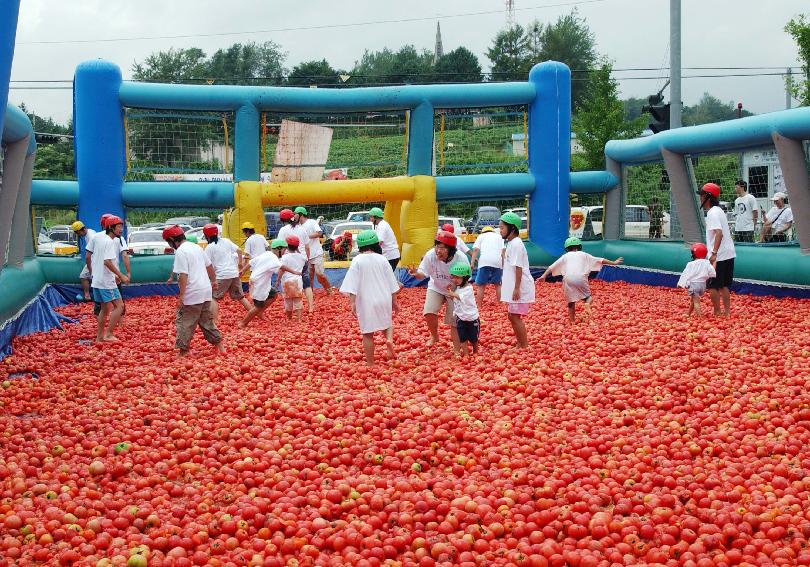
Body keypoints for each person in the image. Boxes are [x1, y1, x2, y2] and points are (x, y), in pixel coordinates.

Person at [339, 230, 401, 367]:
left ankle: (370, 363)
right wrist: (394, 301)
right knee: (387, 323)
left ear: (360, 246)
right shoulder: (383, 259)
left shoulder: (357, 260)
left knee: (367, 333)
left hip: (366, 300)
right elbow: (392, 282)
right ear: (375, 244)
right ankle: (389, 340)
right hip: (383, 297)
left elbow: (352, 284)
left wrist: (352, 302)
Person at [163, 225, 224, 357]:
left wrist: (182, 296)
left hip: (192, 292)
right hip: (205, 290)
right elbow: (209, 266)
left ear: (172, 239)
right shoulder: (196, 247)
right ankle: (220, 346)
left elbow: (183, 276)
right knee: (206, 320)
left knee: (185, 321)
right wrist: (213, 281)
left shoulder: (181, 251)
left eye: (168, 242)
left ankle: (183, 351)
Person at [407, 230, 470, 348]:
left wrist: (456, 286)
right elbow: (422, 274)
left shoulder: (460, 258)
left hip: (455, 290)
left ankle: (458, 344)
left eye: (442, 248)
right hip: (436, 286)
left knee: (455, 319)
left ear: (451, 249)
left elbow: (467, 278)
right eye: (437, 246)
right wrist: (415, 273)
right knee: (429, 312)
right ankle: (434, 336)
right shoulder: (431, 255)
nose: (438, 251)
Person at [539, 236, 623, 324]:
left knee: (571, 302)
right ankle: (587, 303)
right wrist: (613, 262)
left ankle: (572, 321)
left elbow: (552, 266)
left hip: (568, 278)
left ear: (567, 248)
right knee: (588, 297)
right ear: (579, 246)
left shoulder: (565, 256)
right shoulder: (584, 254)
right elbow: (600, 260)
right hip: (581, 277)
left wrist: (544, 275)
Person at [89, 215, 130, 343]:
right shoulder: (108, 241)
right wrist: (121, 275)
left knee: (105, 309)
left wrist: (116, 276)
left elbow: (92, 258)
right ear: (111, 228)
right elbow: (107, 262)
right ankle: (109, 334)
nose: (121, 230)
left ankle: (99, 337)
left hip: (97, 280)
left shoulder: (99, 239)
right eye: (118, 227)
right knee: (120, 306)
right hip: (106, 282)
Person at [698, 182, 736, 317]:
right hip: (729, 253)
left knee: (713, 286)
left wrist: (713, 253)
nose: (700, 198)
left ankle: (717, 311)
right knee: (724, 285)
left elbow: (719, 233)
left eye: (702, 195)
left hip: (719, 255)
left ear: (708, 197)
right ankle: (727, 312)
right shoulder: (719, 211)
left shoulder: (712, 213)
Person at [203, 223, 251, 324]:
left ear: (207, 236)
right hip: (233, 273)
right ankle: (254, 314)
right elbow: (239, 250)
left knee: (213, 297)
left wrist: (210, 278)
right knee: (241, 297)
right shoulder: (226, 241)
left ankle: (215, 320)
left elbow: (208, 265)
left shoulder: (209, 247)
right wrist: (240, 263)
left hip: (222, 275)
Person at [498, 212, 535, 347]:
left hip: (520, 287)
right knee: (511, 316)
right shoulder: (511, 243)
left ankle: (524, 345)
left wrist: (517, 288)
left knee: (514, 316)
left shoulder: (516, 244)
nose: (500, 230)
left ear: (512, 229)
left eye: (502, 228)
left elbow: (518, 267)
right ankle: (520, 343)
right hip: (515, 286)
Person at [240, 238, 284, 328]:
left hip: (258, 281)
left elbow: (251, 262)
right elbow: (281, 268)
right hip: (259, 283)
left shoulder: (266, 254)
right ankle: (243, 323)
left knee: (274, 295)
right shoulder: (274, 259)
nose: (284, 252)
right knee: (258, 306)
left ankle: (259, 312)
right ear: (279, 249)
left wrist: (242, 271)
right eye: (284, 249)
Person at [278, 208, 314, 313]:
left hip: (288, 259)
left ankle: (289, 307)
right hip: (301, 258)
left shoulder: (283, 230)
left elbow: (280, 246)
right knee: (306, 283)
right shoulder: (302, 229)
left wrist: (280, 257)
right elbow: (307, 247)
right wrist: (307, 259)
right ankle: (310, 307)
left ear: (282, 220)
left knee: (287, 282)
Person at [296, 206, 333, 295]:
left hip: (316, 253)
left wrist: (307, 236)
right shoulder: (297, 227)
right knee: (309, 276)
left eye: (296, 214)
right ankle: (310, 294)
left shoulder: (311, 222)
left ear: (301, 215)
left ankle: (329, 290)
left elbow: (319, 233)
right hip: (305, 255)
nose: (294, 216)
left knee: (319, 274)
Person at [445, 263, 479, 357]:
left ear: (465, 277)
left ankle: (476, 351)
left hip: (472, 318)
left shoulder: (469, 288)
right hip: (460, 317)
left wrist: (452, 294)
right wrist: (451, 294)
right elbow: (456, 299)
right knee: (462, 337)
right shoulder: (458, 288)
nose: (454, 280)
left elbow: (460, 297)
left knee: (473, 338)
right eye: (453, 277)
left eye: (457, 277)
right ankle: (466, 354)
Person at [677, 243, 716, 318]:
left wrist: (680, 284)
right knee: (693, 300)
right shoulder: (707, 263)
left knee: (696, 302)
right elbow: (712, 272)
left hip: (694, 285)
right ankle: (688, 313)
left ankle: (700, 316)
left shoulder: (691, 264)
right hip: (702, 285)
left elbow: (685, 274)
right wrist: (714, 263)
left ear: (694, 254)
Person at [470, 225, 504, 309]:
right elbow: (503, 251)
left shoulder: (481, 236)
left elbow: (475, 250)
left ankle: (479, 306)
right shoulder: (499, 236)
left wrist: (472, 263)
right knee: (498, 284)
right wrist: (503, 264)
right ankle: (500, 305)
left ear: (483, 231)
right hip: (497, 261)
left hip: (485, 261)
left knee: (481, 285)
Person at [279, 235, 306, 321]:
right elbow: (305, 259)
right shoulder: (301, 257)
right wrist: (298, 250)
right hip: (297, 281)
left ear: (287, 246)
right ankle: (299, 319)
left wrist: (277, 280)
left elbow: (282, 269)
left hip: (287, 281)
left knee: (288, 301)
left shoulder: (284, 257)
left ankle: (289, 318)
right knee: (298, 300)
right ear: (297, 247)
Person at [72, 220, 96, 301]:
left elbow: (89, 255)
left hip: (95, 260)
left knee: (83, 276)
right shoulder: (90, 233)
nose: (78, 235)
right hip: (95, 259)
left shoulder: (90, 237)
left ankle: (87, 296)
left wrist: (90, 268)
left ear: (81, 230)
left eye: (78, 233)